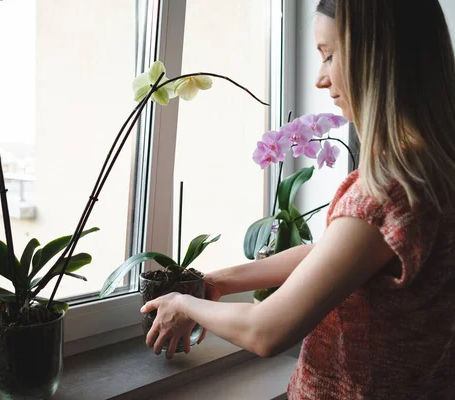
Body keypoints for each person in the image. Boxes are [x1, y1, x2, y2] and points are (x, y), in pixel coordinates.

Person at [140, 0, 455, 398]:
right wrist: (220, 280)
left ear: (377, 57)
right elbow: (331, 255)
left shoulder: (388, 191)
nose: (321, 79)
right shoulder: (433, 170)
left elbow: (265, 330)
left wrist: (184, 305)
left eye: (329, 55)